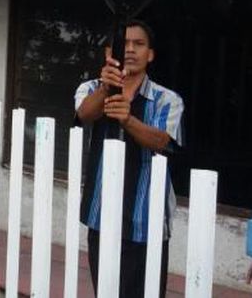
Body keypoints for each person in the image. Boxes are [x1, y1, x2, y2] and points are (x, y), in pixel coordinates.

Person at [74, 20, 184, 298]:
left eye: (139, 44)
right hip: (100, 214)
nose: (131, 50)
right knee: (107, 291)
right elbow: (84, 116)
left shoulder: (167, 99)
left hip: (146, 218)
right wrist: (105, 90)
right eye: (124, 44)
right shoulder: (90, 88)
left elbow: (163, 142)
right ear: (109, 53)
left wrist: (127, 119)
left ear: (151, 54)